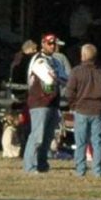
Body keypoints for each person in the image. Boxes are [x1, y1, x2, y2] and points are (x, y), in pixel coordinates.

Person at [67, 43, 101, 178]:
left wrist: (73, 105)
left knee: (80, 142)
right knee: (97, 142)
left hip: (81, 110)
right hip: (98, 110)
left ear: (83, 55)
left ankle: (80, 170)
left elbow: (69, 92)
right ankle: (98, 170)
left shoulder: (76, 71)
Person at [22, 32, 66, 172]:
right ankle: (29, 166)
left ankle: (42, 165)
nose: (53, 47)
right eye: (50, 43)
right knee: (37, 136)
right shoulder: (39, 60)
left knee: (47, 138)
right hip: (39, 102)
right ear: (43, 44)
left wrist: (60, 78)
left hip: (53, 102)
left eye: (55, 44)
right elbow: (49, 78)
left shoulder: (56, 61)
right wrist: (58, 77)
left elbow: (65, 78)